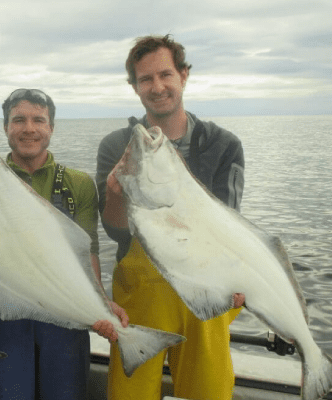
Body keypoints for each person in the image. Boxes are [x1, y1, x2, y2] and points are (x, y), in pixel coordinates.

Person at [96, 35, 246, 400]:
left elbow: (228, 224)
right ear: (134, 87)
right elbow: (116, 232)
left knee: (208, 393)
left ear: (184, 75)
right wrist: (116, 196)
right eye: (145, 79)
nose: (157, 87)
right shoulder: (116, 146)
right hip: (141, 296)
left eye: (166, 74)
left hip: (207, 290)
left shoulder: (223, 144)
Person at [0, 88, 128, 399]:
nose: (29, 128)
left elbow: (88, 250)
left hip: (64, 311)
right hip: (2, 316)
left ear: (51, 128)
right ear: (5, 127)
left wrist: (99, 301)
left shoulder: (77, 184)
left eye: (39, 120)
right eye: (19, 120)